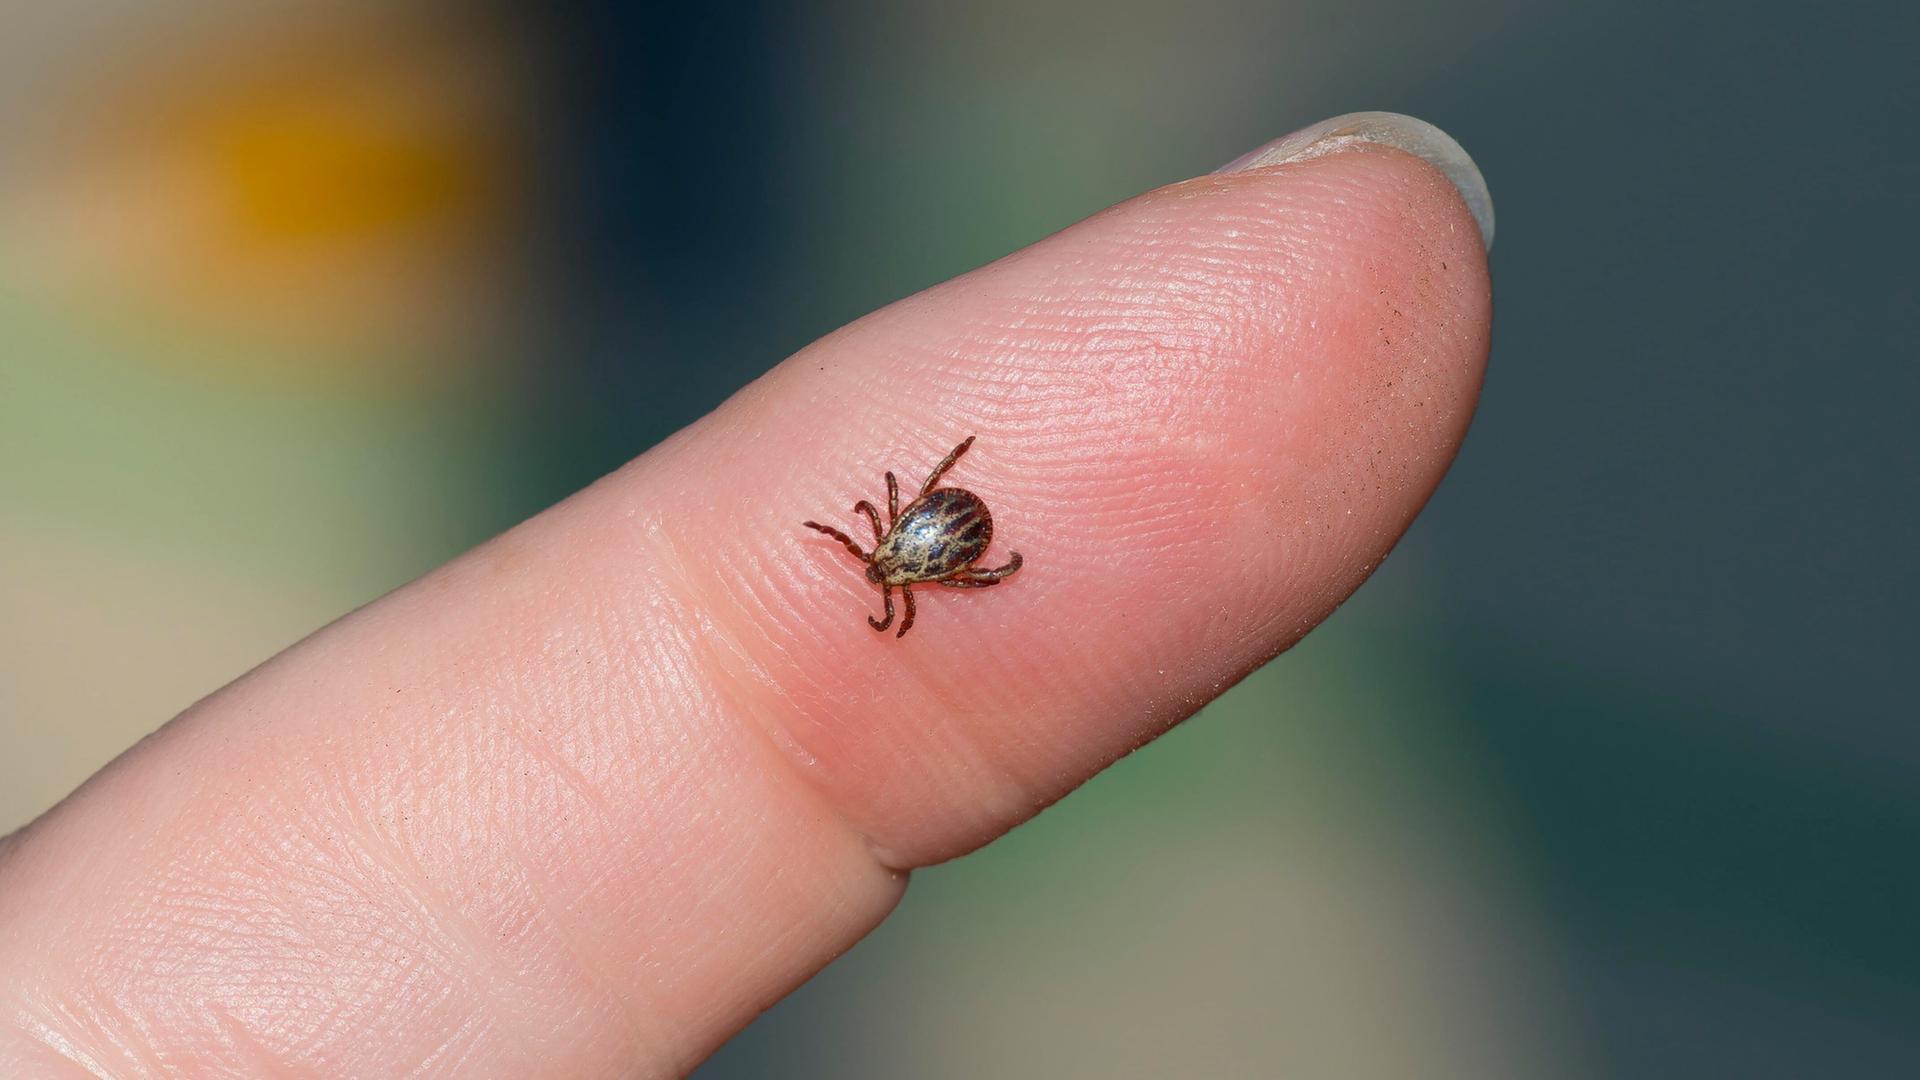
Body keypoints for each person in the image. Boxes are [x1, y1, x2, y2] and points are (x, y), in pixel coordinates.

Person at [0, 113, 1494, 1076]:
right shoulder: (927, 544)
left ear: (914, 550)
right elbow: (953, 516)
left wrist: (920, 541)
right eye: (906, 556)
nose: (900, 560)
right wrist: (934, 541)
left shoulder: (914, 546)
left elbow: (944, 516)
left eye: (905, 555)